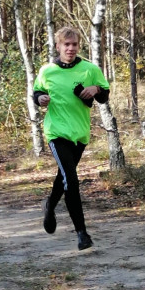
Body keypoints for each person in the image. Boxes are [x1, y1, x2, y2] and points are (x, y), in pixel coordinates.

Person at [33, 26, 110, 250]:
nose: (70, 48)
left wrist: (95, 89)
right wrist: (41, 99)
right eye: (66, 44)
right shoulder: (47, 71)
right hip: (56, 132)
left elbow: (104, 96)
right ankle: (82, 233)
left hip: (80, 133)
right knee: (72, 179)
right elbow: (37, 92)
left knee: (64, 177)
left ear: (78, 46)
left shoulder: (90, 69)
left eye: (74, 44)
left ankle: (49, 205)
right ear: (58, 46)